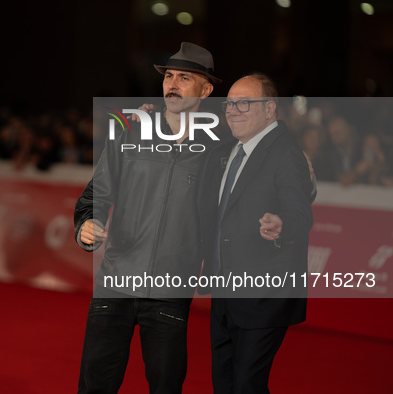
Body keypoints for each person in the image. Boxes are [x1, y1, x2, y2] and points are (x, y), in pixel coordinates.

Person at [74, 42, 221, 393]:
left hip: (171, 290)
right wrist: (86, 226)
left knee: (166, 387)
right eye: (169, 76)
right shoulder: (129, 132)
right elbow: (95, 196)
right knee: (95, 386)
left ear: (206, 90)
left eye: (184, 78)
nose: (172, 83)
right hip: (115, 281)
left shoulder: (218, 150)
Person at [197, 74, 313, 394]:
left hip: (263, 292)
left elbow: (300, 212)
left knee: (247, 383)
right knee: (224, 380)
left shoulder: (286, 152)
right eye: (229, 103)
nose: (233, 110)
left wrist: (282, 224)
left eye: (244, 103)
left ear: (270, 109)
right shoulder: (230, 150)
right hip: (224, 287)